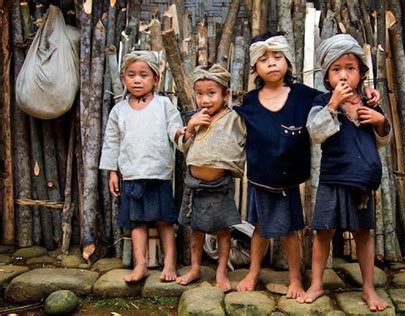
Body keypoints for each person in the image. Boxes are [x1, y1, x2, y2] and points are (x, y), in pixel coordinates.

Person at [233, 32, 381, 299]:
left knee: (292, 230)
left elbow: (333, 101)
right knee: (260, 226)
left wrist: (368, 92)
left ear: (288, 61)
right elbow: (233, 125)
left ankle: (296, 279)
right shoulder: (250, 102)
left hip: (294, 177)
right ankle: (254, 272)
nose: (272, 63)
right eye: (264, 59)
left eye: (278, 57)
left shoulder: (304, 96)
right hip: (261, 175)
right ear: (254, 67)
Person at [297, 34, 391, 311]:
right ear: (327, 77)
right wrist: (333, 104)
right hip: (333, 178)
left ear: (361, 74)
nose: (343, 75)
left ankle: (369, 288)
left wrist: (381, 121)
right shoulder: (322, 102)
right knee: (323, 232)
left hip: (362, 181)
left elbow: (383, 140)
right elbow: (316, 133)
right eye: (336, 69)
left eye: (350, 68)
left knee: (363, 233)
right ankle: (316, 284)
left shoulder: (371, 103)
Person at [99, 51, 183, 283]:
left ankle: (169, 262)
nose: (137, 80)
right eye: (131, 74)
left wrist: (182, 134)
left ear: (156, 79)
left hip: (159, 173)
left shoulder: (164, 105)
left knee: (165, 220)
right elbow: (112, 141)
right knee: (136, 222)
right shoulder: (119, 110)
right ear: (124, 79)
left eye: (144, 75)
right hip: (132, 174)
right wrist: (112, 171)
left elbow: (175, 130)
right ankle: (141, 265)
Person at [175, 64, 246, 292]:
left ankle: (222, 270)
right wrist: (190, 127)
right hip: (194, 184)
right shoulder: (196, 119)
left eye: (212, 93)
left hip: (219, 184)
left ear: (226, 94)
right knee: (196, 228)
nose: (205, 100)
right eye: (200, 94)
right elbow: (184, 147)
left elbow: (245, 140)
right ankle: (195, 268)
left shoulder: (234, 118)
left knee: (223, 229)